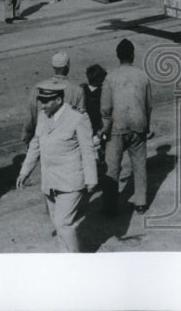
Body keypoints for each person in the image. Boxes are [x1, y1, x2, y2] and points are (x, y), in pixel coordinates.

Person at [16, 82, 98, 253]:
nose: (42, 105)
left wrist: (91, 179)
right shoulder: (43, 116)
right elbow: (35, 144)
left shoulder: (78, 118)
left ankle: (76, 262)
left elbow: (88, 151)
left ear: (59, 100)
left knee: (63, 223)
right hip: (50, 181)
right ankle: (65, 259)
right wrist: (24, 171)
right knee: (57, 223)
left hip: (71, 181)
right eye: (41, 101)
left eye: (46, 101)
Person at [99, 38, 153, 215]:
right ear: (133, 55)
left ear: (117, 56)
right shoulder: (142, 75)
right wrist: (147, 125)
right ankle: (141, 202)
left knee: (112, 167)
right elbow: (149, 105)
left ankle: (110, 207)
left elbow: (105, 107)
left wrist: (104, 127)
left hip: (117, 126)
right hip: (138, 124)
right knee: (139, 163)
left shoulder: (110, 77)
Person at [22, 51, 87, 148]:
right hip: (65, 142)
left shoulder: (38, 87)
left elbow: (30, 117)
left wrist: (27, 137)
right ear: (68, 66)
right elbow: (80, 119)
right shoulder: (77, 90)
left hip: (43, 139)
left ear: (53, 66)